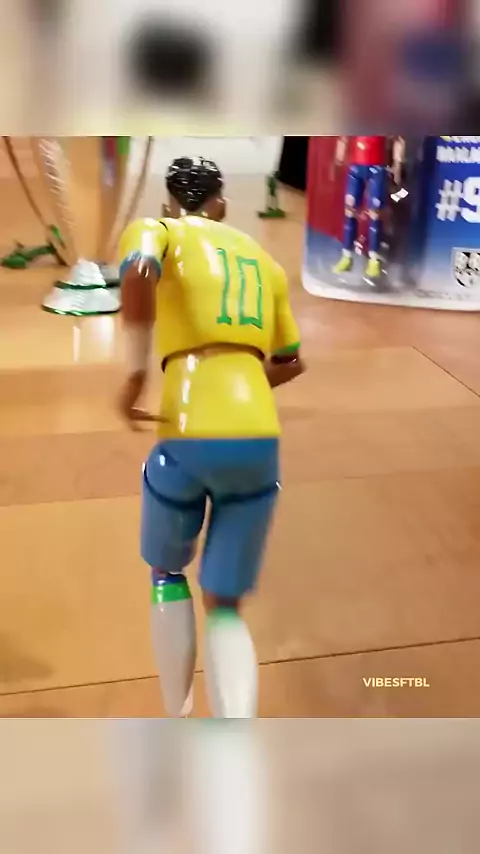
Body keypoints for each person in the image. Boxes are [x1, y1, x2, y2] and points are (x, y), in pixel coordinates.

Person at [117, 156, 305, 718]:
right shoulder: (265, 263)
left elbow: (138, 274)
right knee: (226, 604)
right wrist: (243, 384)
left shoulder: (159, 228)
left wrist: (135, 375)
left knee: (167, 570)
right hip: (258, 438)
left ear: (170, 202)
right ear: (221, 203)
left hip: (187, 430)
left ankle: (177, 712)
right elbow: (291, 360)